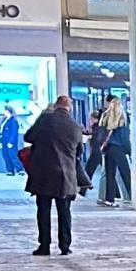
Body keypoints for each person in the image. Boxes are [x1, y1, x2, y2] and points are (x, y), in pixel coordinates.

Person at [24, 96, 86, 256]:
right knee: (64, 211)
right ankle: (65, 246)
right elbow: (79, 152)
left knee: (43, 211)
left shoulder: (45, 119)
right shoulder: (75, 126)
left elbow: (28, 137)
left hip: (43, 173)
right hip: (66, 175)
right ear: (69, 108)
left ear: (56, 106)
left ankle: (44, 245)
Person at [99, 94, 132, 207]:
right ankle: (132, 196)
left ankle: (109, 199)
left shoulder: (105, 115)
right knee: (126, 173)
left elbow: (101, 133)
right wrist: (129, 150)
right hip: (119, 148)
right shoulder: (122, 117)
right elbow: (124, 137)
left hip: (109, 149)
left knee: (110, 174)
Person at [0, 105, 22, 174]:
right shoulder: (5, 119)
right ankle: (10, 170)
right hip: (4, 140)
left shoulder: (13, 121)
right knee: (6, 155)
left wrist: (11, 141)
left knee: (13, 155)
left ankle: (19, 169)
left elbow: (14, 131)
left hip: (10, 140)